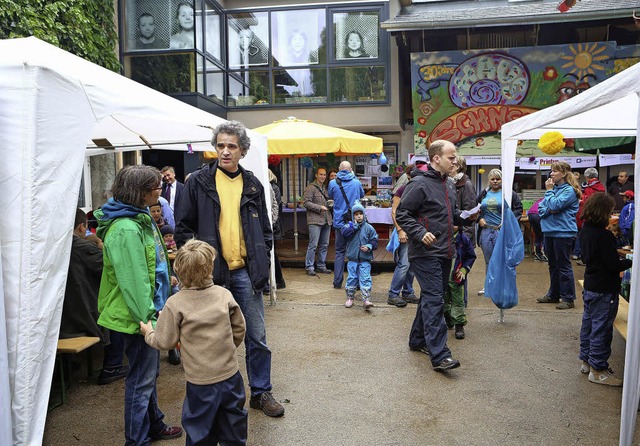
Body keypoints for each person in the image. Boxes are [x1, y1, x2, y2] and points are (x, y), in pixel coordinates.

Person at [175, 121, 285, 418]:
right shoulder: (198, 182)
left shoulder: (253, 184)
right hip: (211, 275)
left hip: (246, 272)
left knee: (257, 336)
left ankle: (261, 392)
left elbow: (265, 228)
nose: (225, 151)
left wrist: (262, 256)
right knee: (213, 338)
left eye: (231, 146)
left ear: (243, 150)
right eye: (221, 145)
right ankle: (220, 398)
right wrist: (195, 266)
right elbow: (183, 228)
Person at [95, 165, 182, 445]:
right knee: (140, 381)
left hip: (147, 312)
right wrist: (149, 322)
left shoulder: (138, 217)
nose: (160, 190)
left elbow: (151, 265)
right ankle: (136, 440)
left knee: (148, 374)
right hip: (139, 318)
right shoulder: (126, 229)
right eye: (155, 187)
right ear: (141, 192)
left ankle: (154, 423)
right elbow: (133, 283)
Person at [140, 240, 248, 444]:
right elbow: (239, 328)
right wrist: (224, 347)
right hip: (230, 377)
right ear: (210, 267)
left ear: (179, 270)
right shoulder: (224, 295)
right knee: (234, 428)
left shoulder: (175, 303)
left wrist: (148, 332)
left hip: (201, 384)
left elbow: (165, 341)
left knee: (200, 432)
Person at [396, 139, 477, 372]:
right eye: (451, 157)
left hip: (445, 251)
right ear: (436, 158)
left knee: (432, 297)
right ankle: (440, 355)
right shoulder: (419, 184)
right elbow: (402, 213)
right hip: (424, 253)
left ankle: (417, 340)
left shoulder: (450, 185)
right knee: (435, 300)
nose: (455, 161)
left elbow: (450, 215)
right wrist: (420, 233)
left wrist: (467, 216)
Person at [60, 208, 127, 385]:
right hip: (82, 315)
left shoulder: (56, 247)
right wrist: (102, 246)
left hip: (63, 316)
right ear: (82, 227)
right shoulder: (82, 247)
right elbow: (111, 268)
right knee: (117, 312)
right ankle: (112, 366)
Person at [577, 192, 632, 386]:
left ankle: (586, 361)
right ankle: (598, 369)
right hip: (604, 288)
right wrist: (628, 262)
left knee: (589, 324)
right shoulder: (604, 235)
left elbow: (586, 258)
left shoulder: (585, 230)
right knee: (601, 329)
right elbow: (612, 265)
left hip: (591, 285)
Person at [536, 161, 582, 310]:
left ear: (564, 173)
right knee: (553, 265)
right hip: (549, 231)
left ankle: (568, 298)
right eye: (551, 171)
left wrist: (550, 197)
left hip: (563, 232)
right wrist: (551, 207)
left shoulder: (568, 191)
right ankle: (554, 294)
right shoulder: (554, 190)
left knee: (563, 265)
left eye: (554, 171)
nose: (551, 174)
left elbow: (554, 205)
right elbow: (541, 210)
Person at [476, 168, 522, 295]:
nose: (495, 181)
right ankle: (489, 286)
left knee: (502, 259)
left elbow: (518, 208)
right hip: (486, 231)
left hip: (501, 232)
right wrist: (479, 219)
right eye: (493, 179)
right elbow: (475, 210)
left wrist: (509, 221)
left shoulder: (508, 194)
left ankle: (502, 286)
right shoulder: (483, 194)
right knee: (488, 259)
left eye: (498, 179)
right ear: (489, 180)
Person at [386, 164, 423, 308]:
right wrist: (400, 230)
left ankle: (407, 292)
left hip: (415, 232)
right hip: (405, 231)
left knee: (412, 265)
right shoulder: (402, 189)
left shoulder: (418, 189)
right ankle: (393, 294)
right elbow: (394, 211)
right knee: (404, 264)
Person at [327, 161, 365, 289]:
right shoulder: (356, 182)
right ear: (351, 170)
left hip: (339, 222)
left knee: (339, 252)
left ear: (339, 169)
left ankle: (337, 282)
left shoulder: (333, 183)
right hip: (354, 222)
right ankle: (358, 283)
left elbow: (330, 196)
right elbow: (362, 195)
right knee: (356, 252)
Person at [341, 201, 378, 309]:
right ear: (353, 216)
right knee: (352, 278)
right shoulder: (349, 226)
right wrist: (354, 227)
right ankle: (350, 297)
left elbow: (375, 241)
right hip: (352, 258)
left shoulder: (369, 228)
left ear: (364, 214)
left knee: (365, 278)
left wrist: (369, 246)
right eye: (356, 214)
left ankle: (366, 299)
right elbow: (344, 234)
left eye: (360, 214)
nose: (359, 216)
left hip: (365, 259)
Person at [443, 226, 477, 340]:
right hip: (442, 277)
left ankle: (459, 325)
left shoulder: (463, 239)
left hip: (456, 277)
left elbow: (471, 256)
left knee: (458, 302)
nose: (452, 226)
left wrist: (464, 269)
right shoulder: (440, 237)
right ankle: (448, 319)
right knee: (443, 301)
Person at [303, 167, 333, 276]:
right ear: (316, 175)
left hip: (326, 220)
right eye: (321, 174)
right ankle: (309, 266)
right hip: (314, 220)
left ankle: (321, 265)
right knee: (313, 244)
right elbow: (306, 203)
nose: (323, 177)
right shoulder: (310, 188)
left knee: (324, 245)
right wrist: (319, 207)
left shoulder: (325, 188)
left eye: (324, 175)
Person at [573, 167, 605, 263]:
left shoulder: (589, 188)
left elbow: (587, 202)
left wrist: (580, 201)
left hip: (587, 215)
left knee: (583, 235)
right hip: (597, 215)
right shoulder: (600, 187)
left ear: (587, 177)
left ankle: (580, 255)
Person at [452, 155, 477, 245]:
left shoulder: (466, 184)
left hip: (461, 236)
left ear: (458, 166)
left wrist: (465, 237)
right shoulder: (450, 183)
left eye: (452, 163)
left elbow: (470, 212)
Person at [268, 169, 286, 289]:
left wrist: (272, 222)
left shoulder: (272, 187)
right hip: (274, 224)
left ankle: (278, 279)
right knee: (272, 253)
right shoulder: (274, 187)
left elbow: (275, 206)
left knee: (272, 253)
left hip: (272, 225)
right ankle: (279, 279)